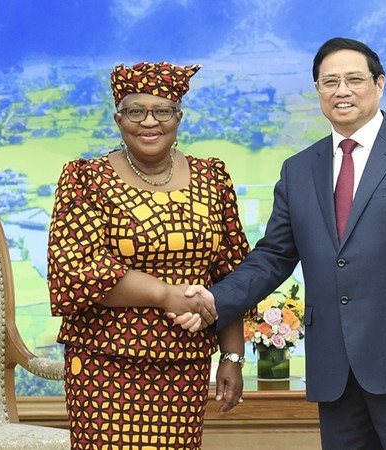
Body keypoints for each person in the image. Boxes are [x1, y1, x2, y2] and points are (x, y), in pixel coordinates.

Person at [181, 37, 386, 449]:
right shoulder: (299, 169)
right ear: (317, 90)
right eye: (329, 81)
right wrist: (214, 300)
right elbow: (274, 255)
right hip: (334, 370)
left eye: (354, 79)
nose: (342, 90)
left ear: (379, 83)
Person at [47, 61, 249, 449]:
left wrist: (233, 356)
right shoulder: (86, 178)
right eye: (135, 111)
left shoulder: (213, 178)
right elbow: (75, 270)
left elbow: (232, 274)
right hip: (104, 364)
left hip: (185, 364)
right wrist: (164, 294)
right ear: (118, 118)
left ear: (179, 116)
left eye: (162, 110)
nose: (148, 121)